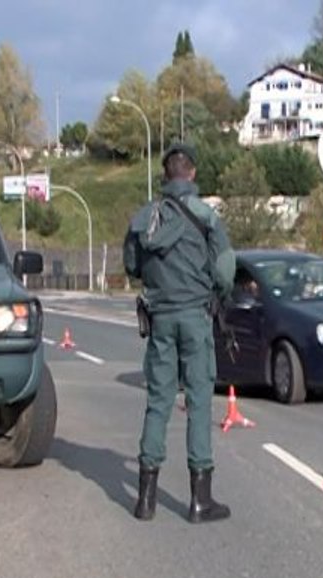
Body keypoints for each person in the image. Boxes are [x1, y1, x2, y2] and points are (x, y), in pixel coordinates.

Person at [123, 142, 235, 522]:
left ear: (165, 175)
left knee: (158, 402)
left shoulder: (144, 218)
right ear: (192, 174)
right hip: (195, 316)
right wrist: (216, 294)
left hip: (160, 319)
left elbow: (131, 265)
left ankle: (145, 501)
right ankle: (200, 500)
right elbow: (225, 270)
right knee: (199, 402)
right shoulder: (206, 216)